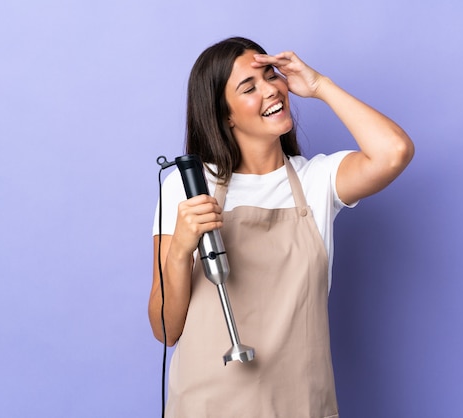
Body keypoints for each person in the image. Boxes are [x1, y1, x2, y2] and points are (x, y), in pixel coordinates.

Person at [149, 36, 414, 418]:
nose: (272, 88)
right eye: (249, 86)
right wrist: (179, 251)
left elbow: (395, 152)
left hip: (301, 404)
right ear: (225, 114)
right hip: (207, 405)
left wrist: (320, 86)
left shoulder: (317, 181)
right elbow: (166, 331)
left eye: (271, 75)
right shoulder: (189, 186)